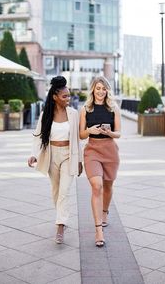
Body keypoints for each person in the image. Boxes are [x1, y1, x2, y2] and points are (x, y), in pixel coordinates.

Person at [28, 76, 83, 244]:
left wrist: (80, 160)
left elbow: (78, 139)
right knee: (56, 191)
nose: (68, 99)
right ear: (55, 97)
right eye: (64, 96)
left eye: (68, 96)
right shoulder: (46, 115)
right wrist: (34, 154)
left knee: (64, 192)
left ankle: (60, 225)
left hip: (68, 155)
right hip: (52, 155)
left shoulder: (74, 114)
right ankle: (62, 217)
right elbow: (38, 136)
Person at [79, 76, 121, 247]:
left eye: (104, 89)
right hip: (92, 151)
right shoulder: (85, 109)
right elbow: (81, 134)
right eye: (98, 88)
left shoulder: (113, 108)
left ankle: (104, 212)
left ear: (107, 90)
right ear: (93, 90)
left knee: (108, 185)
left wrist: (109, 133)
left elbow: (118, 133)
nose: (101, 92)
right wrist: (89, 130)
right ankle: (98, 231)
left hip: (110, 150)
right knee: (97, 186)